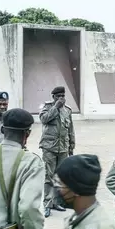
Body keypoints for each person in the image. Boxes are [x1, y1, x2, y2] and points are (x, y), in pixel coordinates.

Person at [39, 86, 76, 218]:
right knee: (49, 176)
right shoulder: (47, 107)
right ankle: (47, 204)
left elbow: (70, 129)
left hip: (63, 148)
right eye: (58, 96)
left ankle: (56, 202)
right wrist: (56, 107)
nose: (61, 98)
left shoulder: (68, 110)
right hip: (49, 147)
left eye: (63, 96)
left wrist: (72, 146)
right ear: (53, 97)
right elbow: (44, 119)